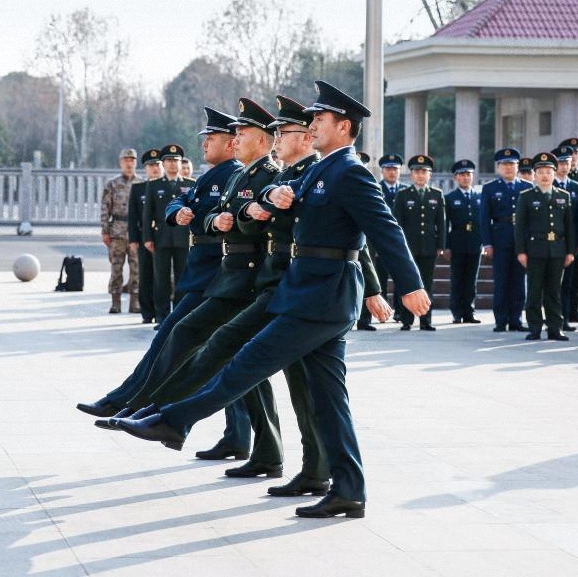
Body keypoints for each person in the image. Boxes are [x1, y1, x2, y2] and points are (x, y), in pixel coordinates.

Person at [114, 80, 430, 520]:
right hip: (306, 291)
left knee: (248, 361)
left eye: (320, 120)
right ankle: (348, 489)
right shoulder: (320, 169)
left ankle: (175, 420)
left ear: (344, 126)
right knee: (328, 400)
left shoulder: (351, 172)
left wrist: (410, 284)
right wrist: (270, 196)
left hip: (324, 296)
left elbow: (385, 230)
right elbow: (280, 196)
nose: (312, 126)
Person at [121, 94, 350, 497]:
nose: (278, 138)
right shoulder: (282, 176)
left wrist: (378, 289)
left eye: (284, 132)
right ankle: (173, 417)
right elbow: (248, 220)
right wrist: (251, 211)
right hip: (277, 286)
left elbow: (353, 234)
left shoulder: (321, 173)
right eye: (276, 132)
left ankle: (166, 414)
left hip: (292, 289)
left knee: (291, 380)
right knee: (250, 363)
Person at [103, 99, 284, 476]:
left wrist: (237, 217)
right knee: (239, 363)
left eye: (241, 133)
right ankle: (256, 446)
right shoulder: (238, 176)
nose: (235, 139)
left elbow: (260, 224)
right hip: (232, 277)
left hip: (249, 281)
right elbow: (210, 214)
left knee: (212, 349)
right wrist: (217, 219)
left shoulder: (267, 175)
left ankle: (158, 412)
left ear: (261, 139)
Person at [515, 151, 575, 340]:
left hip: (557, 249)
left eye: (549, 172)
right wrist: (521, 251)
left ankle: (555, 328)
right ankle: (534, 327)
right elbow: (520, 227)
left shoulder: (563, 196)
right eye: (540, 172)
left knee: (554, 291)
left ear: (554, 173)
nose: (545, 176)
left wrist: (570, 251)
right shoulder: (526, 196)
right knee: (534, 291)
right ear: (534, 174)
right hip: (535, 250)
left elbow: (569, 226)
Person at [480, 147, 532, 332]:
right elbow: (484, 218)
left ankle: (516, 319)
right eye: (504, 164)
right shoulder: (490, 188)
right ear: (498, 167)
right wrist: (487, 243)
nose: (508, 168)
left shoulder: (527, 187)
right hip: (500, 238)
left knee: (519, 281)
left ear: (518, 166)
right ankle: (501, 320)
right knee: (501, 281)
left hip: (521, 240)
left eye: (512, 164)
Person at [393, 154, 446, 331]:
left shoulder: (437, 194)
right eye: (417, 172)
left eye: (424, 172)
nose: (420, 175)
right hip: (408, 248)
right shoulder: (403, 195)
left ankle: (426, 320)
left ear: (430, 174)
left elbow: (441, 223)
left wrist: (441, 245)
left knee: (427, 283)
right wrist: (398, 247)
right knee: (407, 283)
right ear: (411, 174)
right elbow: (397, 223)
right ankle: (406, 319)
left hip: (429, 247)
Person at [143, 143, 195, 320]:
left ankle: (179, 315)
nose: (173, 164)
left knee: (183, 277)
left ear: (181, 163)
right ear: (163, 164)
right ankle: (162, 316)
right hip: (161, 237)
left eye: (176, 160)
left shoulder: (190, 184)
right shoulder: (154, 185)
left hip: (183, 236)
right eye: (169, 161)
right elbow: (147, 214)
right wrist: (147, 238)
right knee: (161, 278)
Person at [357, 153, 405, 330]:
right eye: (388, 169)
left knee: (400, 276)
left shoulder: (405, 191)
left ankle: (400, 313)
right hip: (373, 241)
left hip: (395, 242)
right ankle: (365, 318)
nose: (392, 172)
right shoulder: (374, 187)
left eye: (395, 169)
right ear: (382, 171)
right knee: (372, 278)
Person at [101, 148, 143, 314]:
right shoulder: (112, 184)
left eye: (132, 160)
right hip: (117, 231)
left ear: (136, 162)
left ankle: (135, 302)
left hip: (135, 232)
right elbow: (105, 208)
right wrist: (105, 231)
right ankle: (115, 302)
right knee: (116, 268)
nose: (129, 163)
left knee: (136, 269)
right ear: (120, 163)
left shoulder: (141, 183)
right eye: (126, 160)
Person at [445, 159, 483, 324]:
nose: (465, 177)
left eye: (468, 174)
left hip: (475, 242)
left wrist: (484, 242)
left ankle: (469, 312)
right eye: (462, 175)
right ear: (456, 178)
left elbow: (484, 222)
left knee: (471, 280)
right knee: (457, 280)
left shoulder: (479, 196)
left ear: (472, 176)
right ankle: (457, 312)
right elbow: (445, 224)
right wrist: (446, 246)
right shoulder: (449, 198)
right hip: (457, 243)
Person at [128, 148, 163, 324]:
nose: (155, 168)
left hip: (163, 236)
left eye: (157, 164)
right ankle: (147, 312)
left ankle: (161, 311)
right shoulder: (138, 188)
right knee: (145, 274)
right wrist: (133, 239)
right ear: (145, 168)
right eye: (151, 165)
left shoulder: (168, 186)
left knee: (161, 276)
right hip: (144, 236)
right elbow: (133, 216)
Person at [553, 147, 578, 329]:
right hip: (551, 242)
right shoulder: (548, 185)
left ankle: (564, 319)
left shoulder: (577, 188)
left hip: (571, 243)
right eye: (560, 163)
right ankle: (551, 318)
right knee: (551, 284)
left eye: (566, 162)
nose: (564, 166)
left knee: (568, 282)